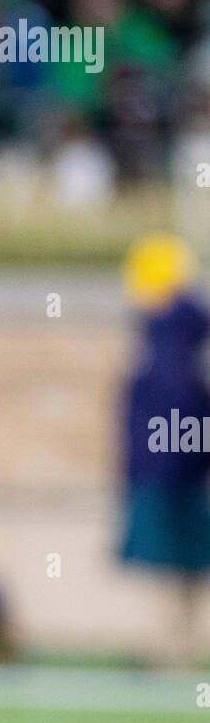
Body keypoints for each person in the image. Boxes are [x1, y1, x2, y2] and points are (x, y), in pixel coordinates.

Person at [119, 234, 210, 666]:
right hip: (182, 469)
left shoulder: (170, 335)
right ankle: (182, 648)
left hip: (169, 472)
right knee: (185, 564)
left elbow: (175, 405)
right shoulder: (187, 333)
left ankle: (170, 650)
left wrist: (171, 464)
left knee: (170, 564)